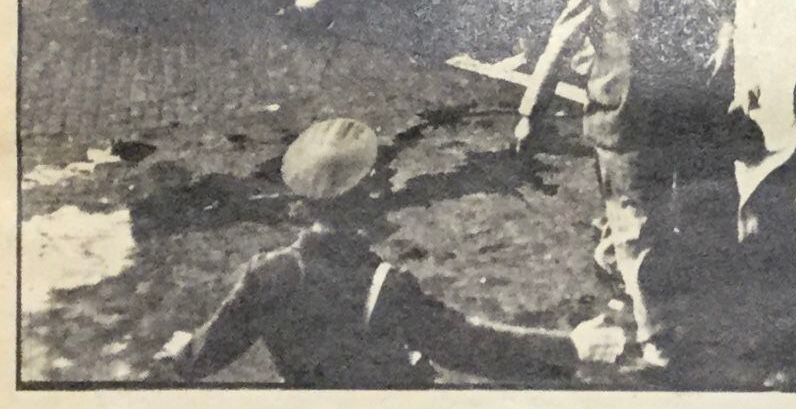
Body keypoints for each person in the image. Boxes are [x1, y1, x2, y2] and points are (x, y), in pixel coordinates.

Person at [154, 118, 615, 385]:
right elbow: (469, 346)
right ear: (367, 198)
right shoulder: (385, 285)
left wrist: (181, 351)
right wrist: (571, 346)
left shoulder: (268, 274)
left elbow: (204, 353)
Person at [513, 0, 729, 369]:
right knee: (638, 225)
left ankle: (613, 261)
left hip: (666, 118)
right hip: (617, 120)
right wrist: (531, 112)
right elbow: (558, 46)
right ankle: (654, 333)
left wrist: (720, 44)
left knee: (650, 214)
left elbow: (716, 7)